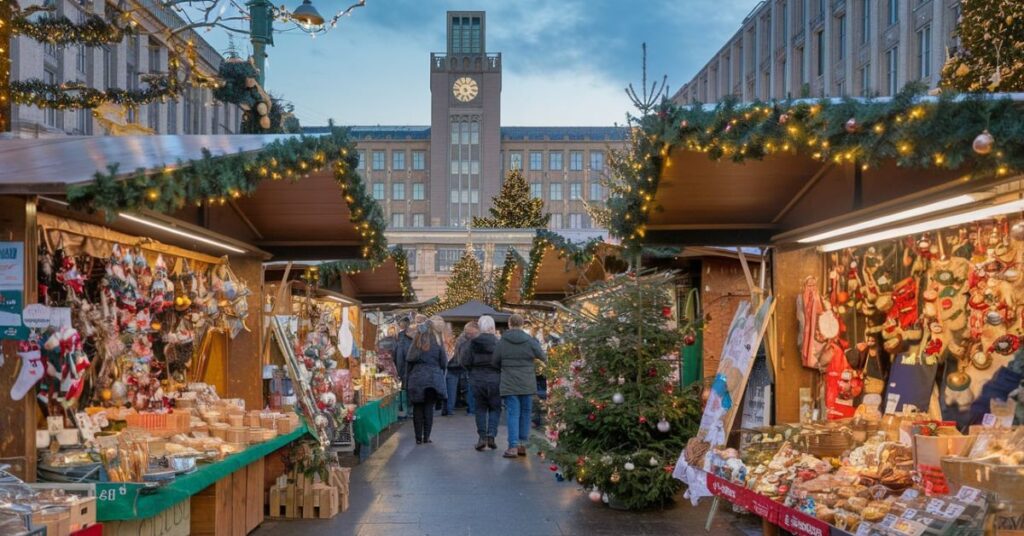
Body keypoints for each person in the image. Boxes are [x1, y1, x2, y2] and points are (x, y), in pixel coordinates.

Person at [493, 313, 546, 458]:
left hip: (509, 382)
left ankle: (512, 447)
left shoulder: (502, 342)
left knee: (512, 413)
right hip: (527, 382)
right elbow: (543, 356)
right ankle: (523, 445)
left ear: (509, 324)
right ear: (522, 324)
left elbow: (495, 361)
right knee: (526, 413)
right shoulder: (530, 340)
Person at [405, 315, 448, 444]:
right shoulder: (438, 341)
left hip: (416, 378)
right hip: (432, 380)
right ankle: (426, 437)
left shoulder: (417, 339)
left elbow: (409, 358)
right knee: (428, 408)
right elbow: (444, 362)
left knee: (417, 408)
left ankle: (418, 438)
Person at [467, 315, 501, 451]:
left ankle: (481, 437)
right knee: (495, 408)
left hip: (477, 378)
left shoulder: (472, 343)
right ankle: (491, 435)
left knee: (480, 409)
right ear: (493, 327)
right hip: (495, 379)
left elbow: (465, 360)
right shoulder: (499, 343)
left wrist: (472, 370)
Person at [445, 322, 478, 416]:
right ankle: (470, 409)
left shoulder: (458, 340)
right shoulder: (466, 340)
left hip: (454, 367)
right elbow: (463, 355)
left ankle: (449, 410)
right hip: (461, 367)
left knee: (452, 390)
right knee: (467, 389)